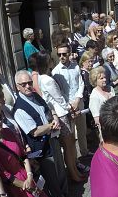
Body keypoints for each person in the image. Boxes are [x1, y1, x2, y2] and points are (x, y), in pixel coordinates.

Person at [12, 70, 72, 197]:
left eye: (29, 83)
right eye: (24, 84)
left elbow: (48, 109)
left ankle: (65, 195)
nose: (28, 86)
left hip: (52, 139)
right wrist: (51, 126)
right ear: (17, 86)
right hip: (41, 148)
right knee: (52, 176)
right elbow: (34, 131)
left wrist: (55, 117)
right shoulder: (19, 108)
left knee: (60, 169)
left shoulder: (35, 96)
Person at [33, 52, 86, 183]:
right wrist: (71, 108)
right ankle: (73, 174)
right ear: (47, 62)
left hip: (59, 113)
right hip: (61, 114)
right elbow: (60, 99)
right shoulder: (48, 79)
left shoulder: (42, 77)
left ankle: (74, 171)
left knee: (69, 144)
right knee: (68, 146)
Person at [51, 43, 89, 161]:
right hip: (66, 107)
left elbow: (81, 83)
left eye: (64, 54)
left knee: (82, 129)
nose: (61, 56)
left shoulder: (76, 66)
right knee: (71, 134)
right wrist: (69, 106)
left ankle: (85, 153)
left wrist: (77, 99)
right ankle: (74, 160)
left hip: (78, 102)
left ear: (69, 53)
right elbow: (58, 92)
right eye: (59, 54)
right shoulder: (55, 72)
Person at [88, 67, 114, 142]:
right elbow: (97, 120)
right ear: (95, 81)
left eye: (104, 77)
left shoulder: (110, 89)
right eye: (101, 78)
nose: (105, 80)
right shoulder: (94, 96)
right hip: (107, 129)